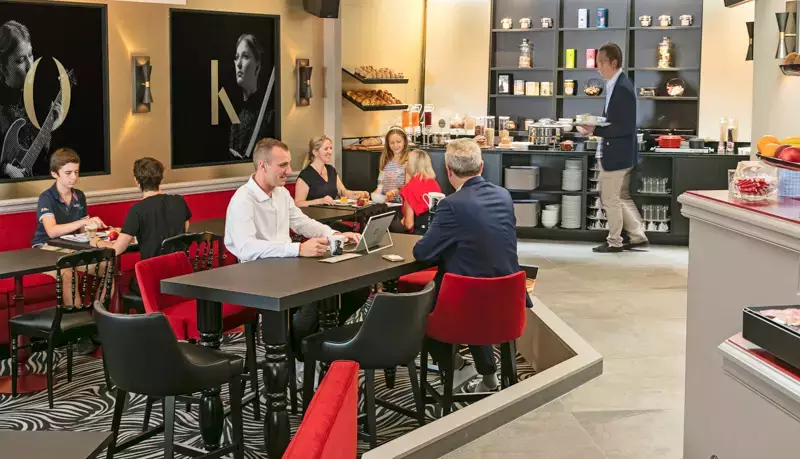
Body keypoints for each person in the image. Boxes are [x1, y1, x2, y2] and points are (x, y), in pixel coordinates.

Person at [224, 138, 365, 387]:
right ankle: (302, 355)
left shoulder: (280, 194)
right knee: (316, 298)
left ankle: (311, 345)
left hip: (288, 269)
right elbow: (247, 248)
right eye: (283, 165)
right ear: (262, 165)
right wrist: (297, 248)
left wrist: (334, 234)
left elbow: (301, 222)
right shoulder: (242, 200)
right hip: (255, 277)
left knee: (356, 287)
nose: (289, 171)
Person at [412, 138, 533, 393]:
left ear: (448, 170)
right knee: (473, 272)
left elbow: (422, 253)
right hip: (508, 300)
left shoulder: (451, 205)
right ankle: (488, 377)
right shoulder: (503, 195)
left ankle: (456, 366)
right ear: (481, 166)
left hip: (468, 304)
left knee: (414, 311)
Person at [577, 42, 647, 253]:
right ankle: (637, 235)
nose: (598, 67)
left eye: (601, 62)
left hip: (617, 154)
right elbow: (615, 120)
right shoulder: (616, 85)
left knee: (609, 198)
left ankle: (614, 241)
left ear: (613, 63)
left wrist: (594, 129)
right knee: (621, 196)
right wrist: (596, 124)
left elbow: (624, 127)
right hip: (620, 153)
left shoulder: (622, 88)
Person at [90, 157, 192, 293]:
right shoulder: (179, 201)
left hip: (153, 278)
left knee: (130, 282)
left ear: (137, 182)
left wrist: (97, 242)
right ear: (161, 179)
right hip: (180, 274)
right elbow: (184, 228)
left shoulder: (138, 210)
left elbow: (117, 250)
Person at [0, 20, 62, 178]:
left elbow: (41, 165)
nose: (30, 66)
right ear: (3, 68)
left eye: (30, 55)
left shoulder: (36, 103)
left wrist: (49, 132)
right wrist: (4, 169)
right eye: (21, 60)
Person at [229, 34, 274, 160]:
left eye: (245, 56)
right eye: (237, 57)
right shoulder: (238, 116)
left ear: (257, 67)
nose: (238, 64)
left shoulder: (269, 115)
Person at [294, 135, 369, 207]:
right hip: (313, 215)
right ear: (315, 152)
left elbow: (343, 193)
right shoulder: (305, 175)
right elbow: (298, 204)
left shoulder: (331, 170)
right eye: (326, 149)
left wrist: (358, 194)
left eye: (330, 148)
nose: (330, 152)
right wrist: (319, 201)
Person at [399, 149, 442, 235]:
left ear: (411, 165)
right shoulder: (435, 183)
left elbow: (409, 224)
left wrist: (401, 222)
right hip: (435, 232)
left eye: (407, 161)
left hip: (418, 236)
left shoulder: (409, 188)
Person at [373, 127, 409, 203]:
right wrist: (377, 191)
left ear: (405, 142)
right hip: (385, 201)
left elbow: (408, 186)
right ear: (388, 144)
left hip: (400, 202)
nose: (395, 145)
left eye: (398, 142)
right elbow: (380, 181)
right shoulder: (385, 159)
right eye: (392, 143)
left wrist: (395, 192)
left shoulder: (408, 161)